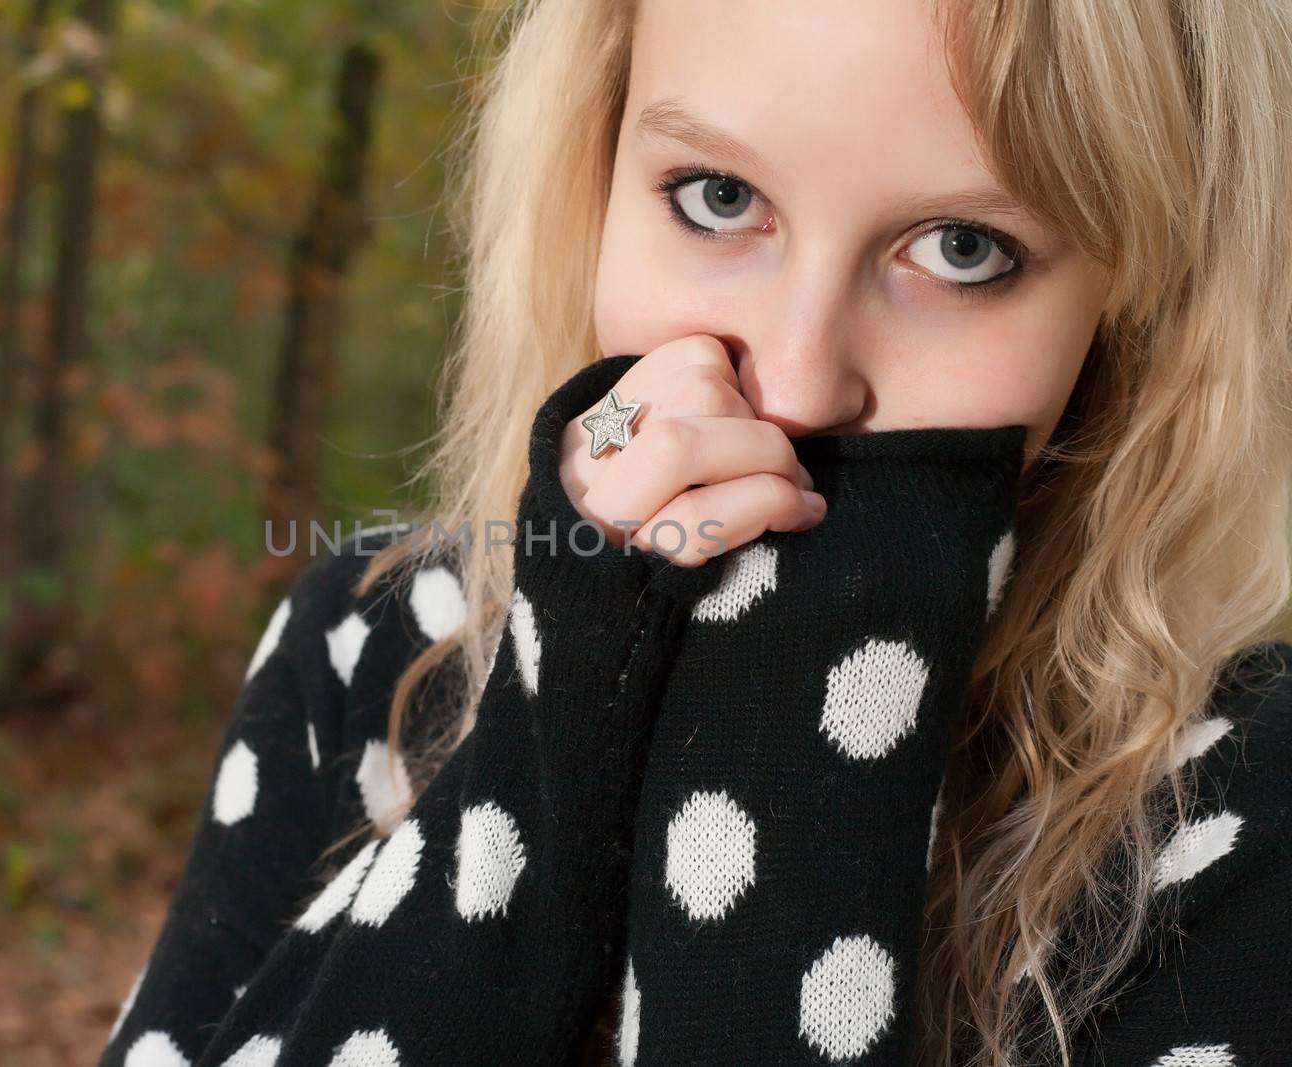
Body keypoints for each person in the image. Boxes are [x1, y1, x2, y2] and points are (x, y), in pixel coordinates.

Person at [96, 0, 1292, 1064]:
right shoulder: (369, 641)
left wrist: (798, 691)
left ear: (1141, 296)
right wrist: (565, 695)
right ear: (593, 175)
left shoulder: (1245, 792)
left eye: (962, 250)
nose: (799, 381)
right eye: (718, 199)